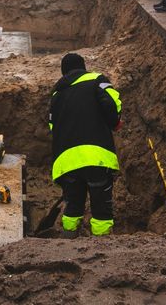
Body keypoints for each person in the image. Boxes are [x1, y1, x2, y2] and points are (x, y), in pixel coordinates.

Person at [48, 52, 121, 237]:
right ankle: (101, 248)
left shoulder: (56, 94)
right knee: (101, 208)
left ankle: (69, 240)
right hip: (96, 157)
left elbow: (52, 127)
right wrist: (114, 122)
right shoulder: (96, 79)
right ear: (83, 67)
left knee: (73, 205)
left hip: (67, 163)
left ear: (63, 72)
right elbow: (111, 102)